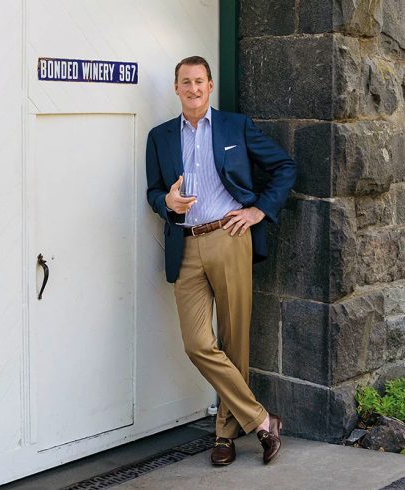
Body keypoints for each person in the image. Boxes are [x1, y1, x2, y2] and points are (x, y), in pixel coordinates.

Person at [146, 56, 297, 465]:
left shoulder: (235, 126)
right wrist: (167, 203)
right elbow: (153, 192)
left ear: (210, 86)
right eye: (185, 82)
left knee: (235, 341)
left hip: (230, 238)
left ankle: (225, 437)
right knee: (197, 343)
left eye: (199, 81)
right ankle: (263, 420)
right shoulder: (159, 137)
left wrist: (258, 210)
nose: (192, 89)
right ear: (175, 88)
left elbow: (284, 166)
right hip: (187, 242)